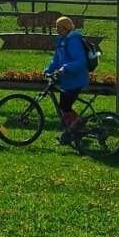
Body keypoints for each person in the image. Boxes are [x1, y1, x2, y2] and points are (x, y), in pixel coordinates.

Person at [44, 15, 90, 145]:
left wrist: (66, 68)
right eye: (56, 27)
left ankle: (72, 132)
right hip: (67, 79)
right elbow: (55, 60)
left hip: (76, 78)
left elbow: (81, 61)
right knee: (64, 106)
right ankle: (77, 129)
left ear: (67, 28)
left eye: (60, 27)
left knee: (65, 106)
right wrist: (48, 70)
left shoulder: (73, 41)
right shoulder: (62, 41)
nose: (57, 30)